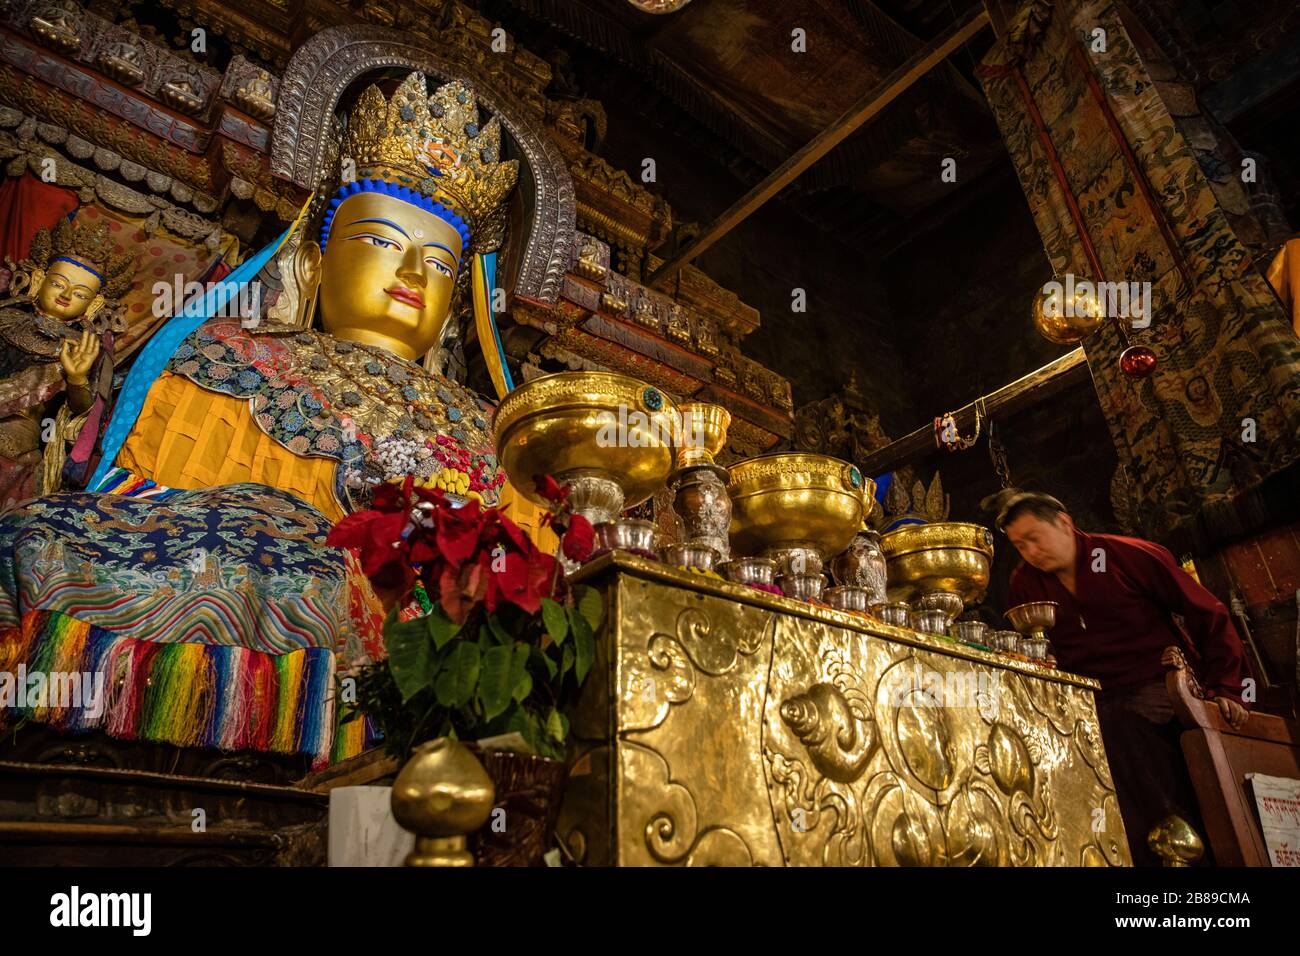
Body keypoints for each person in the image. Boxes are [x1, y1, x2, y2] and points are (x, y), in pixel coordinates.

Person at [991, 488, 1250, 865]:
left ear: (1064, 523)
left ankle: (1183, 854)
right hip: (1086, 700)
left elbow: (1207, 613)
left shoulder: (1123, 555)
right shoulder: (1024, 583)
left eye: (1034, 538)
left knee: (1121, 727)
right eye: (1020, 545)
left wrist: (1227, 686)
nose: (1030, 552)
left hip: (1155, 684)